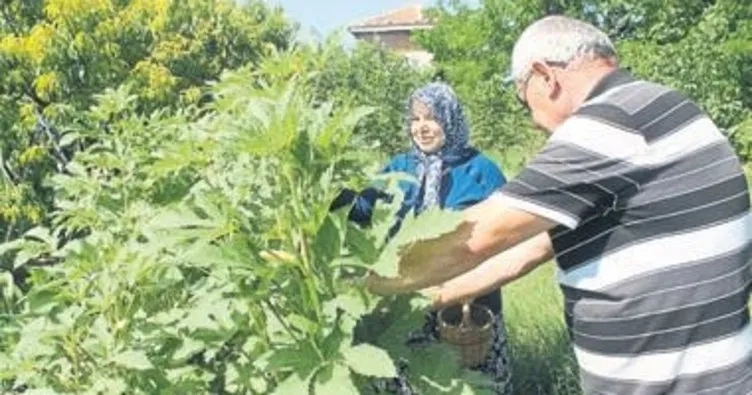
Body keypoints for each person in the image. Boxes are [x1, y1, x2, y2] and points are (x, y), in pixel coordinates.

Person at [367, 15, 752, 395]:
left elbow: (473, 238)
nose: (534, 123)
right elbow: (528, 251)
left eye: (524, 101)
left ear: (545, 77)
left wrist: (358, 286)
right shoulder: (666, 106)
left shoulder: (608, 127)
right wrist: (430, 299)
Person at [331, 81, 512, 394]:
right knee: (411, 382)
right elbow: (363, 209)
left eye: (431, 118)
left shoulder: (481, 170)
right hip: (406, 301)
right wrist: (327, 190)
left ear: (450, 119)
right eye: (415, 119)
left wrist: (477, 280)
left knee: (473, 383)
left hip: (466, 302)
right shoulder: (400, 167)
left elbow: (509, 234)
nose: (421, 128)